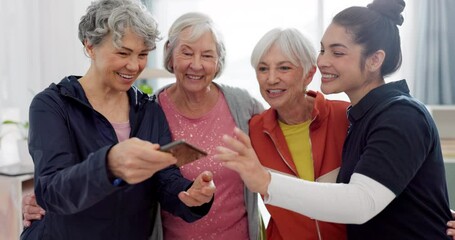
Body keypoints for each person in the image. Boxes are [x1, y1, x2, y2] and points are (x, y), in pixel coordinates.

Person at [215, 0, 453, 239]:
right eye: (322, 50)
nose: (322, 62)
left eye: (337, 52)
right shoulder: (362, 117)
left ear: (374, 60)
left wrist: (267, 182)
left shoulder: (401, 116)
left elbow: (361, 201)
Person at [22, 11, 264, 240]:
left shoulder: (147, 108)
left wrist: (187, 194)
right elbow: (52, 189)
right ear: (90, 46)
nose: (134, 65)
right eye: (123, 53)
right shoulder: (52, 105)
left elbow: (164, 176)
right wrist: (108, 165)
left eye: (142, 54)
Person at [154, 12, 264, 240]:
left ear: (218, 62)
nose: (196, 65)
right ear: (170, 55)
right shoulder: (151, 110)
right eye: (186, 53)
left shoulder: (243, 105)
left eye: (207, 55)